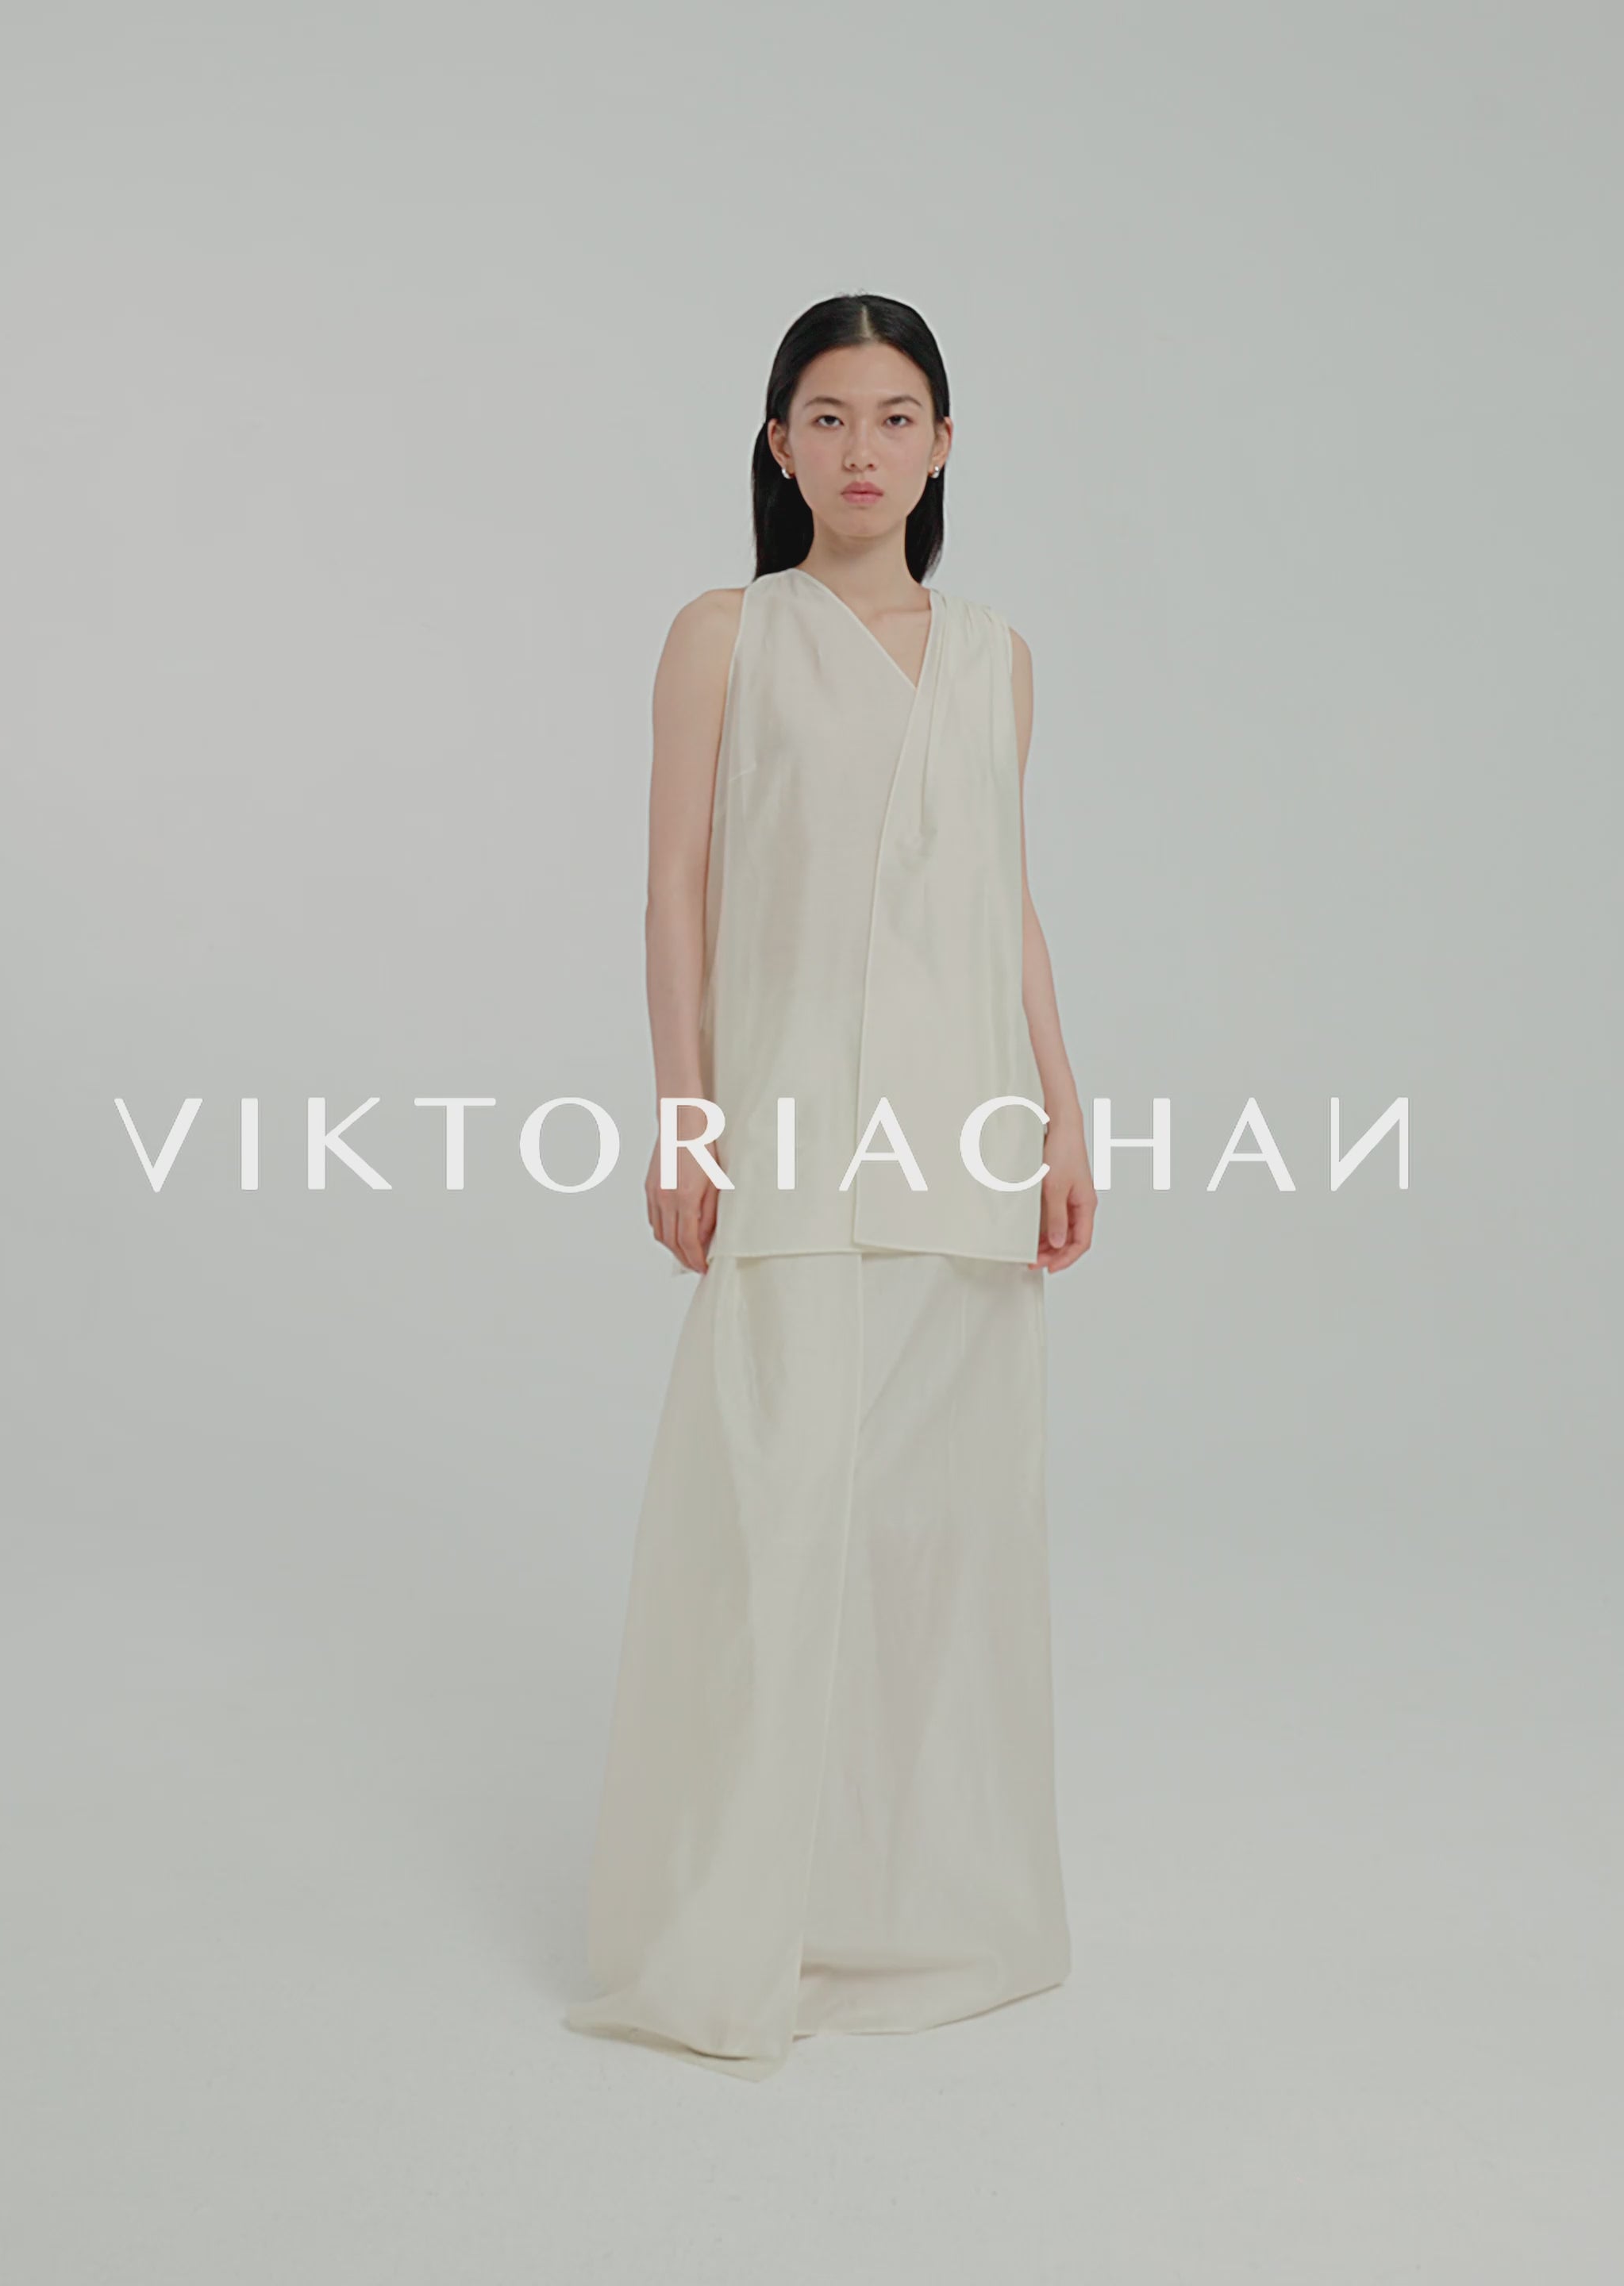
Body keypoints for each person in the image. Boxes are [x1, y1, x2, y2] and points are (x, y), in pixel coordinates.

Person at [564, 293, 1096, 2078]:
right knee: (773, 1523)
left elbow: (1003, 897)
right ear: (779, 444)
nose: (863, 448)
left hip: (966, 1136)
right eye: (828, 415)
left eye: (896, 416)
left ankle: (904, 1911)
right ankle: (728, 1929)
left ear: (943, 446)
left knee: (930, 1547)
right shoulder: (726, 635)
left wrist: (1064, 1114)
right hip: (789, 1128)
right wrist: (686, 1117)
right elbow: (674, 883)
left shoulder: (999, 657)